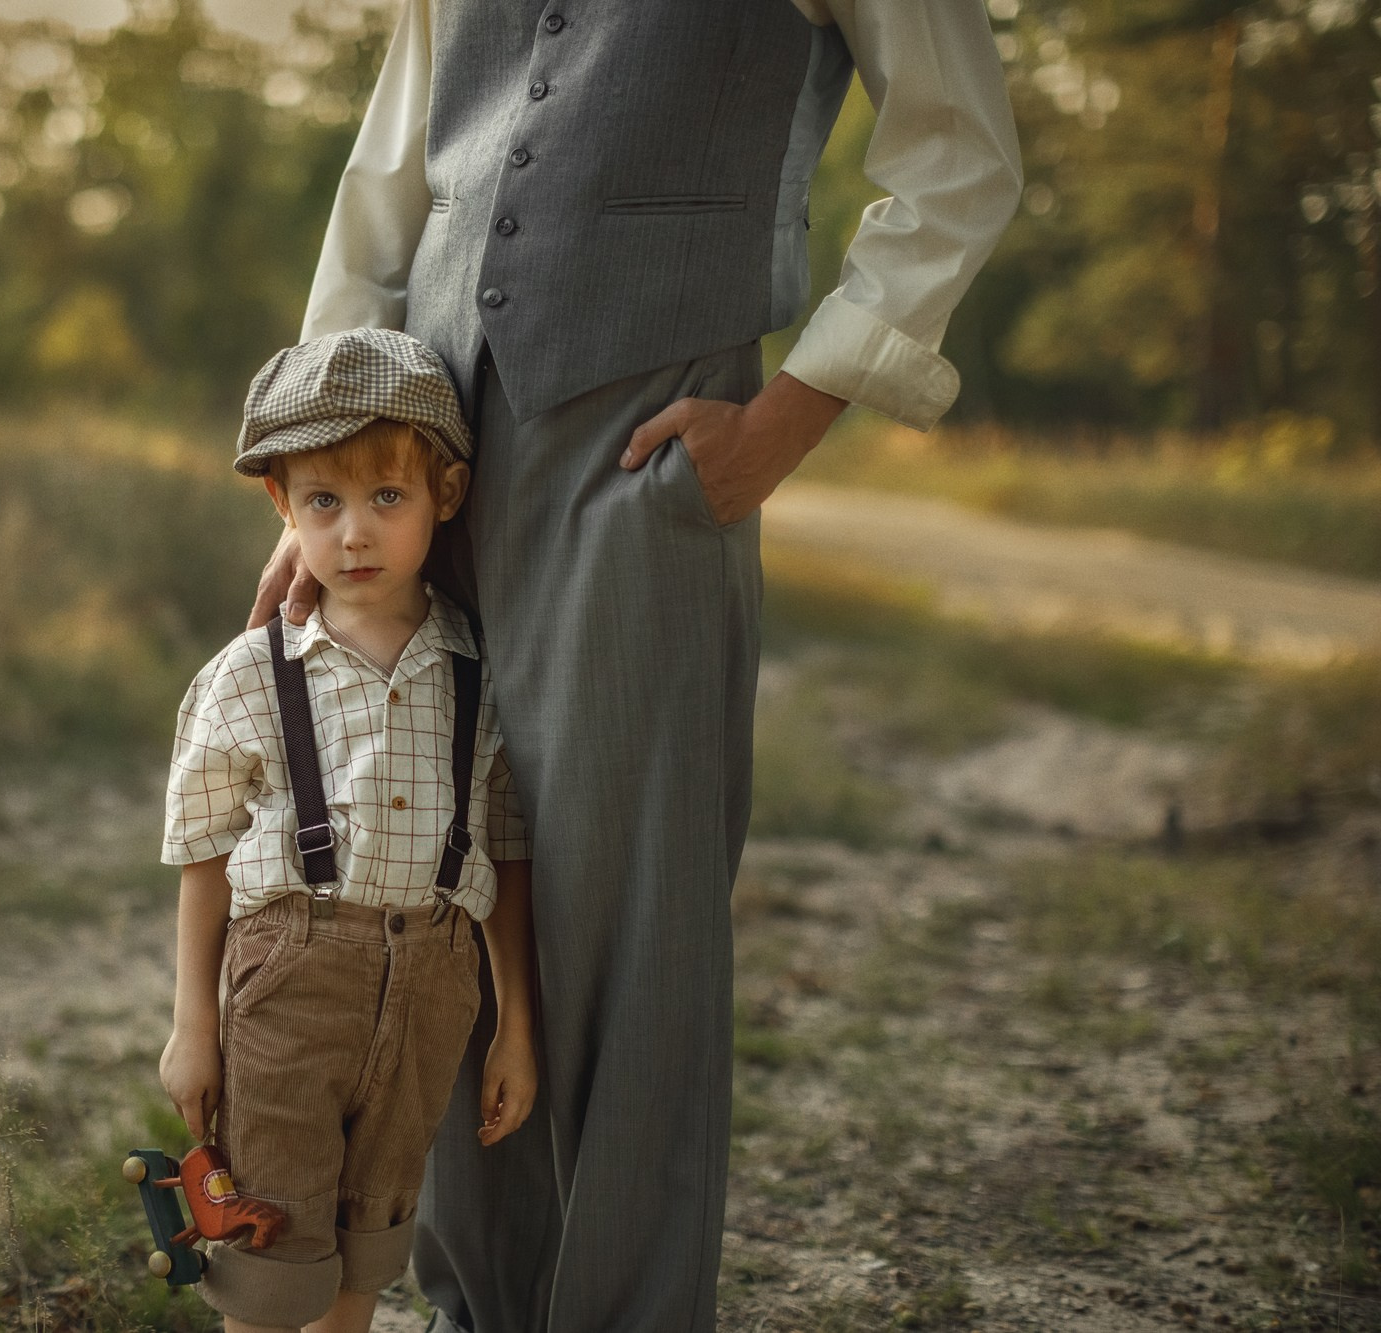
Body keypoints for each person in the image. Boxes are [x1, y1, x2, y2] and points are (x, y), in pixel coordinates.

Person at [254, 2, 1026, 1330]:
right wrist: (333, 482)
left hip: (643, 450)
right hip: (422, 467)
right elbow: (383, 192)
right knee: (437, 885)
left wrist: (791, 414)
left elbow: (961, 153)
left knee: (634, 923)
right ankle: (479, 1308)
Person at [160, 327, 541, 1333]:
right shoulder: (249, 674)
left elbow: (502, 854)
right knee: (269, 1254)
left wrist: (516, 1025)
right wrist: (192, 1026)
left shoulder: (479, 671)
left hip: (431, 986)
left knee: (363, 1253)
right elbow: (201, 854)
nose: (355, 534)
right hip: (287, 985)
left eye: (387, 497)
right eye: (322, 502)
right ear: (281, 506)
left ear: (445, 497)